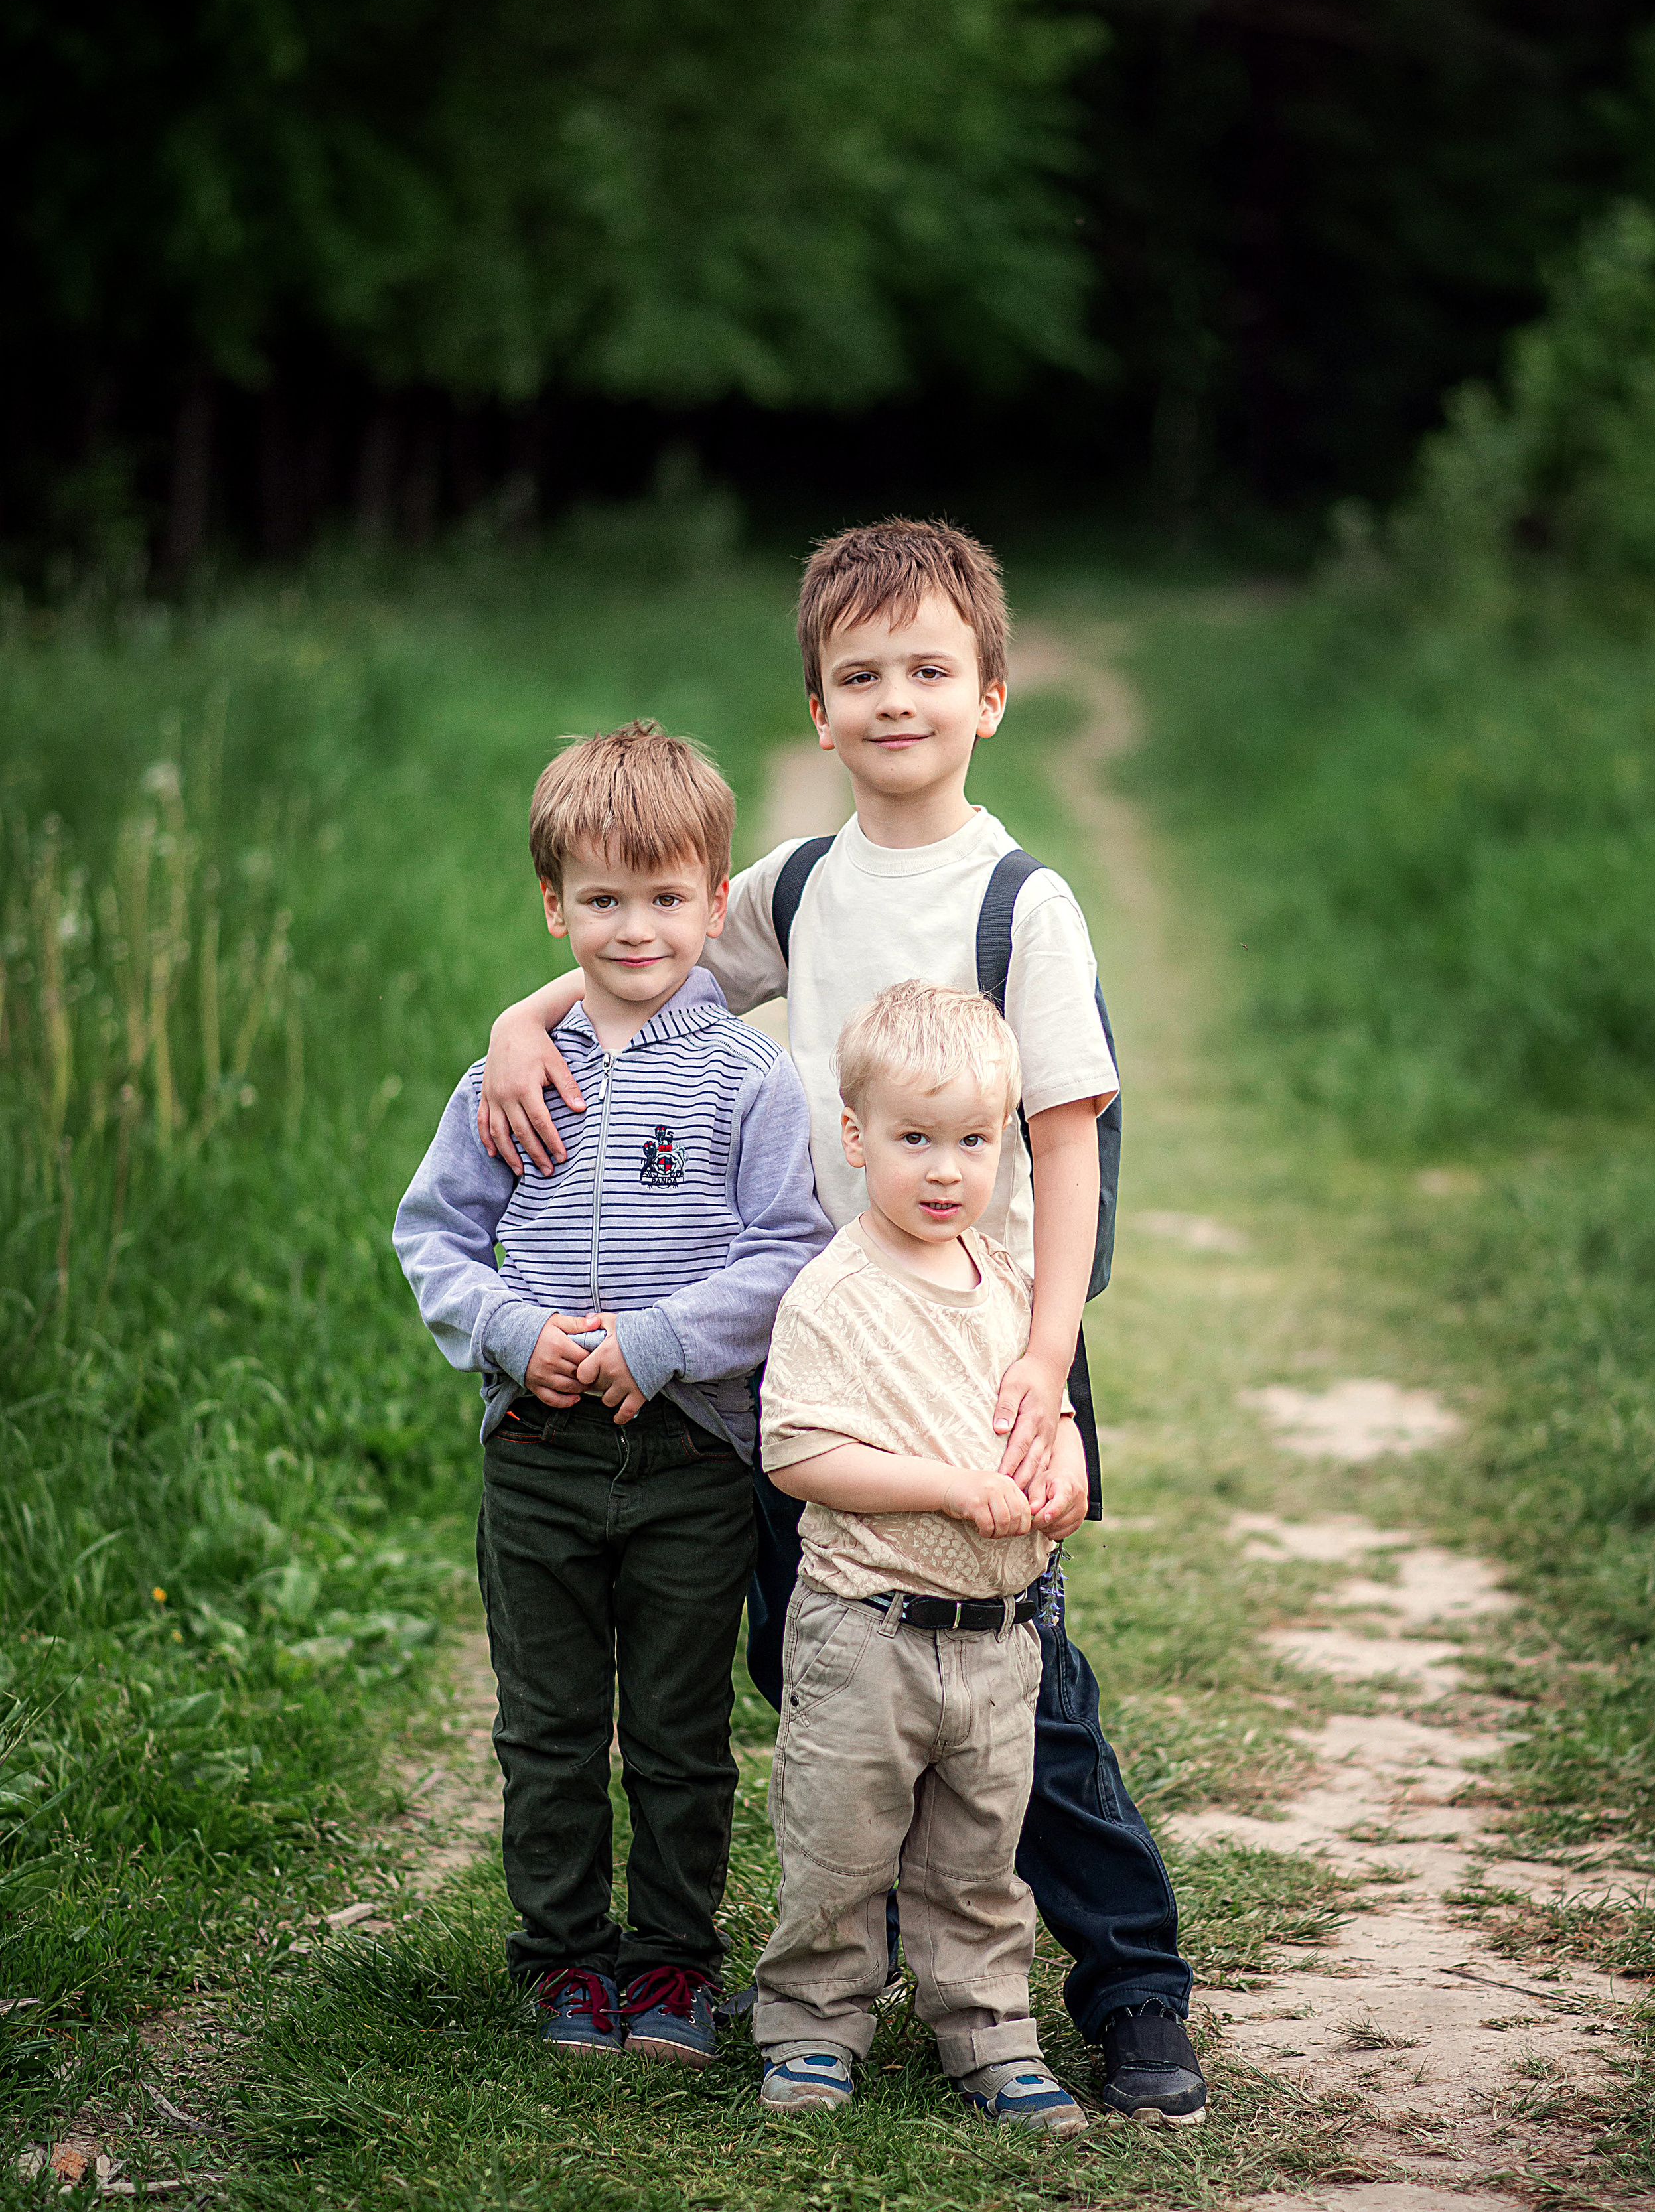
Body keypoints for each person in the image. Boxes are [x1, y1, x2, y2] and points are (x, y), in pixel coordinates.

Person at [476, 520, 1206, 2126]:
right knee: (813, 1652)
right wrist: (513, 1026)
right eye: (859, 675)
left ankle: (1131, 1991)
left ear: (990, 695)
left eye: (929, 671)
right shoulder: (795, 886)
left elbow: (1069, 1136)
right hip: (803, 1344)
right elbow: (641, 957)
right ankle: (851, 1962)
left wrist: (1038, 1355)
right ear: (815, 708)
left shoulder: (1023, 900)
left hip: (975, 1342)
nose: (894, 699)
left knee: (1018, 1674)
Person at [393, 722, 831, 2068]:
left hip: (692, 1455)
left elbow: (790, 1252)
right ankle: (565, 1964)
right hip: (535, 1451)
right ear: (552, 905)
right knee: (548, 1723)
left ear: (714, 902)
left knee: (681, 1733)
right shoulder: (506, 1079)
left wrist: (652, 1345)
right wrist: (512, 1332)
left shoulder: (748, 1079)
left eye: (662, 899)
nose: (631, 928)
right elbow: (432, 1239)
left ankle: (671, 1970)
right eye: (599, 900)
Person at [754, 981, 1087, 2132]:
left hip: (997, 1639)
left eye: (973, 1141)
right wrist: (950, 1487)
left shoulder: (1003, 1280)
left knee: (978, 1859)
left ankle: (989, 2036)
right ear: (855, 1137)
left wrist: (1067, 1465)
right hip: (869, 1629)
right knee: (839, 1843)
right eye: (914, 1139)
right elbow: (798, 1450)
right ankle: (811, 2026)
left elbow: (1043, 1407)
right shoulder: (835, 1292)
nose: (946, 1169)